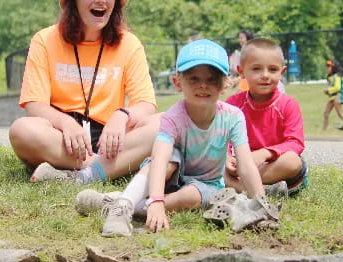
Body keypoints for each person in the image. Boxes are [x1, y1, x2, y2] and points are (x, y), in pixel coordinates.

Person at [76, 39, 266, 237]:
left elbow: (245, 164)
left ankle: (126, 202)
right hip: (170, 177)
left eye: (212, 79)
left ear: (225, 84)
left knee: (191, 195)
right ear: (178, 82)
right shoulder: (173, 118)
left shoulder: (233, 117)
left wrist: (260, 202)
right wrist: (156, 199)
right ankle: (122, 207)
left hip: (207, 184)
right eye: (193, 78)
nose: (203, 85)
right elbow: (160, 159)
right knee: (169, 159)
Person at [9, 0, 159, 184]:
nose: (101, 0)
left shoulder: (129, 43)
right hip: (61, 136)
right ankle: (106, 169)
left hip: (111, 137)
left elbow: (146, 104)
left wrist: (122, 115)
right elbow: (34, 104)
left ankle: (78, 174)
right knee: (22, 130)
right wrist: (66, 123)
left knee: (165, 123)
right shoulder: (45, 39)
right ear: (74, 0)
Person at [224, 38, 307, 197]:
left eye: (273, 69)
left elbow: (295, 143)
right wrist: (227, 158)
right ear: (241, 71)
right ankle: (257, 190)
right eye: (256, 69)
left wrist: (264, 154)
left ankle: (243, 187)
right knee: (214, 164)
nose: (265, 75)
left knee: (292, 161)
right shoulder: (232, 105)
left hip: (274, 166)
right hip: (241, 166)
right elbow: (222, 138)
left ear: (282, 72)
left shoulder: (288, 104)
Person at [322, 59, 343, 131]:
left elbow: (337, 87)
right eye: (327, 66)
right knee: (326, 112)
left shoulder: (337, 76)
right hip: (332, 97)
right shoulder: (329, 77)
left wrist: (328, 90)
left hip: (338, 96)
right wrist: (327, 91)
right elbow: (331, 86)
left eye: (329, 66)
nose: (327, 68)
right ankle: (325, 128)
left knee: (340, 113)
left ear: (333, 68)